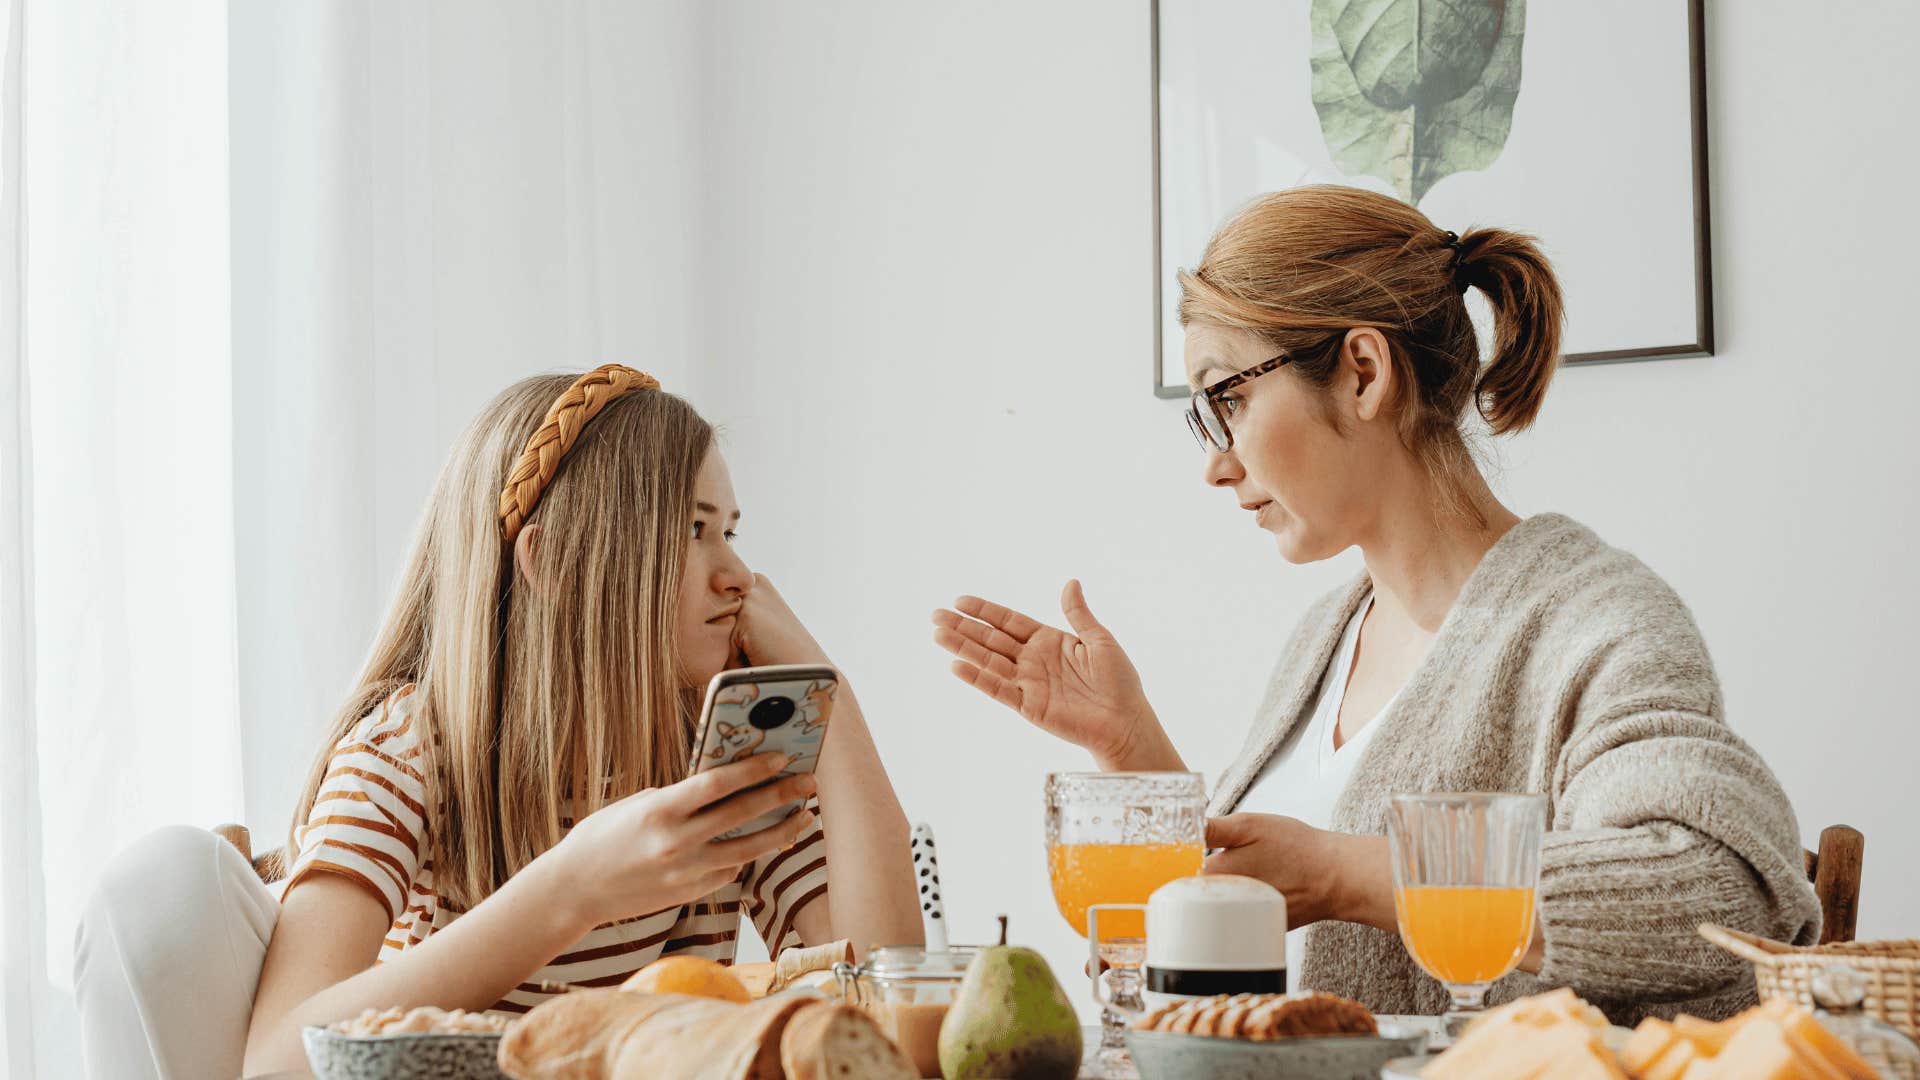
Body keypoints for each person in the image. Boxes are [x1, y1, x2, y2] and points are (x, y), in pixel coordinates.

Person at [933, 186, 1819, 1023]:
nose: (1215, 459)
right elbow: (1255, 917)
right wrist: (1131, 748)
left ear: (1362, 371)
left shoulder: (1595, 624)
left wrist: (1345, 874)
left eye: (1230, 397)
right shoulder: (1327, 635)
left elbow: (1723, 889)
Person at [75, 366, 921, 1077]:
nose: (737, 573)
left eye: (732, 531)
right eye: (695, 531)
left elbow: (888, 1007)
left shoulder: (715, 759)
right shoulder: (410, 747)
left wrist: (830, 697)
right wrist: (574, 887)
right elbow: (277, 1062)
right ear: (552, 560)